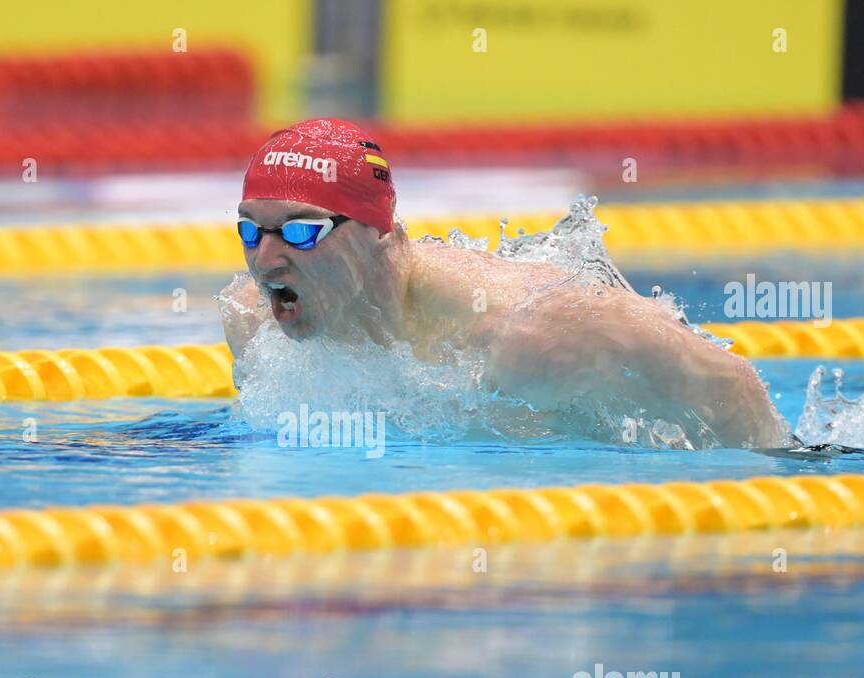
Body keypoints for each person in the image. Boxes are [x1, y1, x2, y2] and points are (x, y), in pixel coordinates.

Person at [220, 117, 793, 449]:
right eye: (250, 231)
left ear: (377, 230)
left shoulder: (535, 337)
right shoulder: (252, 324)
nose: (265, 261)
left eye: (300, 231)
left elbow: (731, 389)